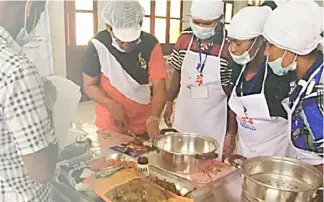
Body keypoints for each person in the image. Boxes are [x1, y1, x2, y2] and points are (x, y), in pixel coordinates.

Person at [164, 0, 238, 160]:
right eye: (196, 22)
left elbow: (233, 95)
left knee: (207, 168)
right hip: (185, 114)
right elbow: (176, 73)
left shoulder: (229, 46)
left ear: (219, 20)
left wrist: (231, 133)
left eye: (207, 23)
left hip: (212, 121)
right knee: (179, 161)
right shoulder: (184, 38)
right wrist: (169, 101)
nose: (200, 27)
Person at [0, 1, 58, 201]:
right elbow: (42, 171)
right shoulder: (17, 69)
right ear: (29, 6)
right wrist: (47, 104)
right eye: (40, 13)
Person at [83, 1, 167, 139]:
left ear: (140, 25)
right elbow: (89, 85)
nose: (126, 44)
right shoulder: (97, 45)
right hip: (110, 125)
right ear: (109, 27)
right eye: (121, 40)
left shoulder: (150, 44)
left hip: (143, 123)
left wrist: (154, 118)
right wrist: (111, 104)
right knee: (111, 160)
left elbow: (159, 86)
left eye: (132, 40)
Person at [224, 6, 296, 159]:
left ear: (260, 41)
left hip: (275, 159)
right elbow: (234, 106)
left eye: (238, 43)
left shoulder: (278, 75)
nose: (232, 49)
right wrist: (231, 134)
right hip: (245, 153)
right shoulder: (238, 67)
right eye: (230, 42)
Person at [263, 0, 323, 171]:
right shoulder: (306, 76)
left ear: (292, 49)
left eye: (271, 45)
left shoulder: (316, 98)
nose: (266, 52)